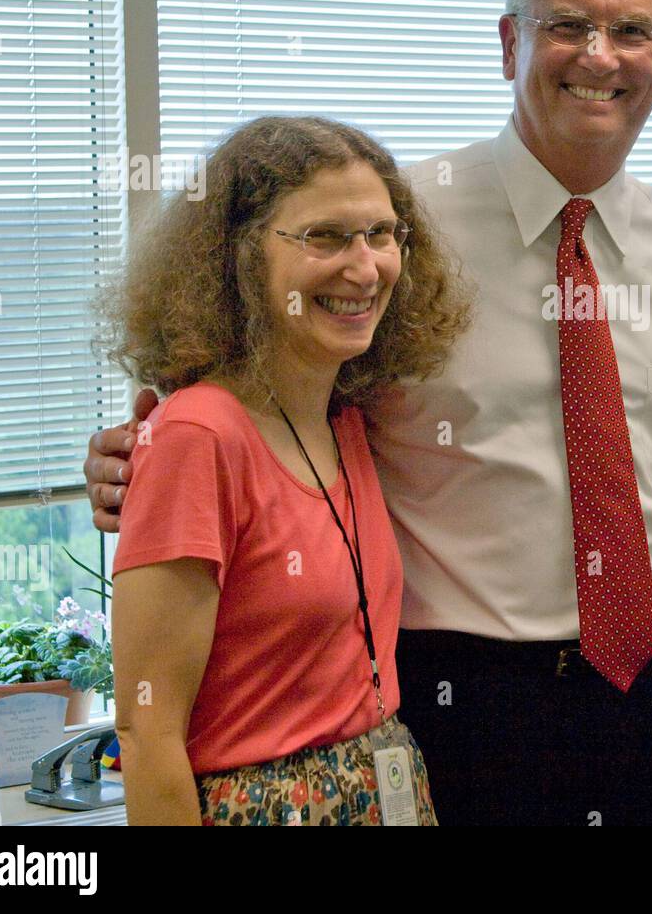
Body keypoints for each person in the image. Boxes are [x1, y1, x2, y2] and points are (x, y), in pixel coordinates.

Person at [85, 0, 652, 825]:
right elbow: (253, 394)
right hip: (470, 702)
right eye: (568, 25)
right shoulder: (392, 229)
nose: (601, 56)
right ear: (510, 43)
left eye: (632, 31)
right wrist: (140, 453)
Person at [104, 116, 469, 825]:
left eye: (382, 233)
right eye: (324, 236)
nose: (365, 268)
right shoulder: (196, 436)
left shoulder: (347, 420)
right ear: (240, 256)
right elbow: (146, 733)